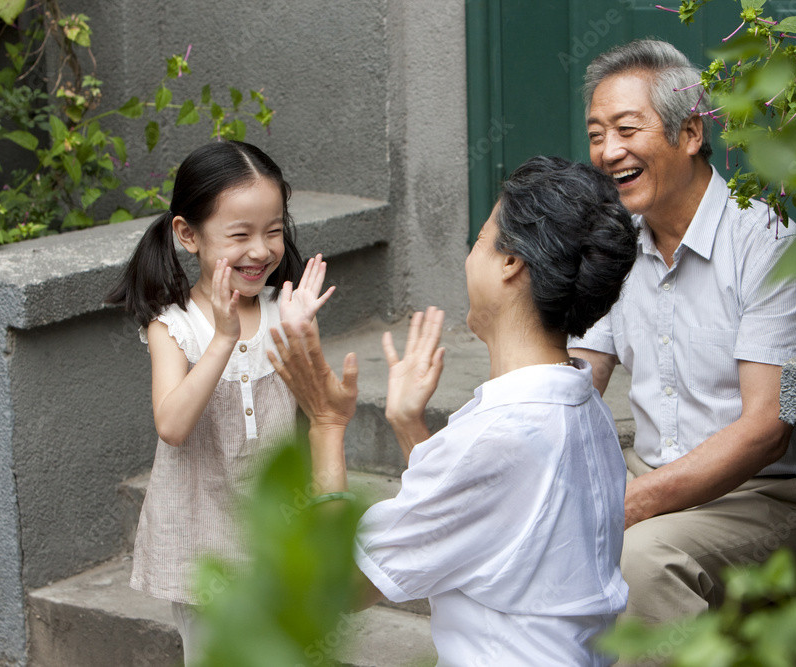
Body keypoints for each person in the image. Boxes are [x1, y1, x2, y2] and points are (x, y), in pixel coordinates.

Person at [269, 156, 639, 666]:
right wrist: (409, 426)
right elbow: (483, 522)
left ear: (512, 263)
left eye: (481, 239)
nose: (470, 257)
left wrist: (326, 426)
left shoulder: (499, 435)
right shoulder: (584, 405)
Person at [569, 39, 796, 628]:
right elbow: (580, 376)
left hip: (757, 498)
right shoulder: (614, 238)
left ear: (689, 133)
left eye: (626, 129)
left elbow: (766, 430)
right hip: (647, 477)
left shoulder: (766, 242)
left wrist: (627, 506)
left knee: (638, 559)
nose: (609, 152)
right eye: (595, 134)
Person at [105, 141, 334, 664]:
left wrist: (302, 338)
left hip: (277, 532)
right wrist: (223, 339)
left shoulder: (286, 308)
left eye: (273, 231)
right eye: (240, 234)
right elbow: (173, 425)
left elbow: (322, 411)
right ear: (188, 234)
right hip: (202, 538)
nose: (261, 250)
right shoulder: (174, 325)